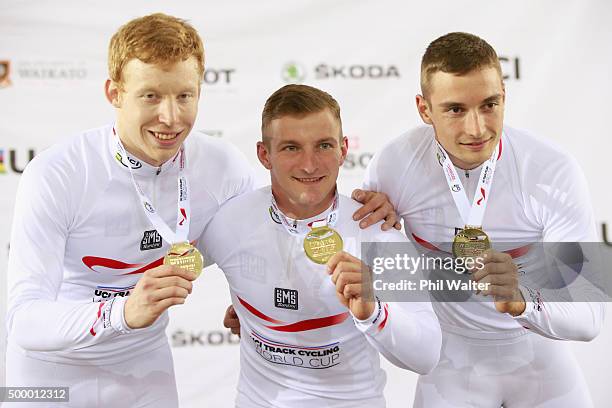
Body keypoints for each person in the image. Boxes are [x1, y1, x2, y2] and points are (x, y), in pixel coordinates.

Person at [5, 14, 396, 408]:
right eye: (151, 96)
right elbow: (24, 321)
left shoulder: (221, 166)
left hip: (144, 369)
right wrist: (121, 312)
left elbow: (273, 231)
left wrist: (375, 215)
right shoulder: (60, 172)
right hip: (47, 374)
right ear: (114, 93)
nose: (171, 118)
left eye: (184, 96)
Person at [362, 32, 605, 407]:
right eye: (455, 109)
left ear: (504, 96)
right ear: (424, 110)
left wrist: (524, 300)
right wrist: (390, 237)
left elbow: (590, 316)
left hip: (539, 359)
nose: (477, 129)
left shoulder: (551, 169)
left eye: (489, 104)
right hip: (452, 362)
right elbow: (382, 285)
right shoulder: (395, 164)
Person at [203, 84, 442, 407]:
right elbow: (157, 263)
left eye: (324, 146)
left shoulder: (377, 231)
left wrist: (374, 312)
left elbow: (427, 355)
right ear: (264, 155)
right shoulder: (228, 222)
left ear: (344, 149)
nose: (310, 165)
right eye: (291, 148)